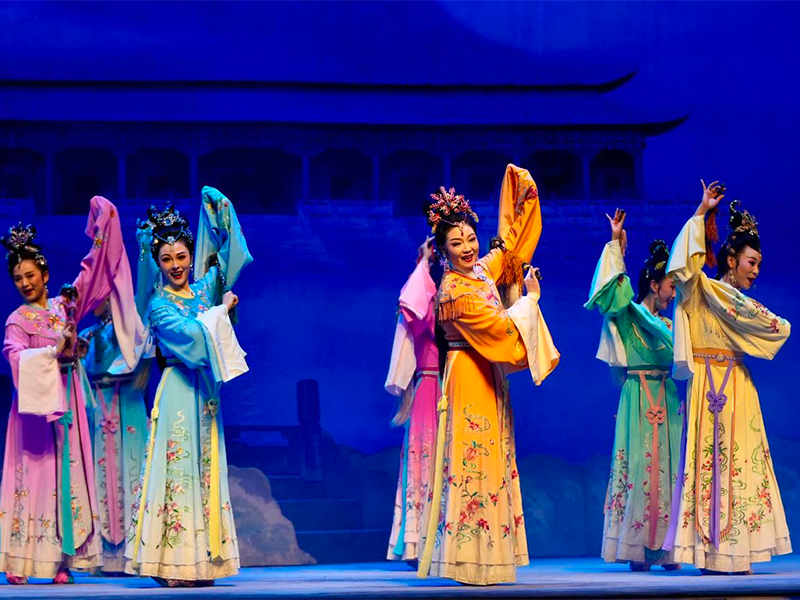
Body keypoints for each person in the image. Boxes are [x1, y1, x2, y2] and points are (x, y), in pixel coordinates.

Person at [417, 165, 560, 585]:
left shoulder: (479, 272)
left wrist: (521, 193)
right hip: (468, 377)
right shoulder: (455, 292)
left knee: (493, 459)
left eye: (470, 239)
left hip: (488, 377)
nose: (467, 248)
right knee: (474, 459)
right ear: (442, 251)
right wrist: (530, 300)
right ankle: (468, 559)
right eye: (456, 243)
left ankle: (492, 556)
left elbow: (510, 246)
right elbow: (499, 329)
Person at [0, 197, 138, 584]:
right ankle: (22, 560)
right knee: (36, 478)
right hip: (35, 413)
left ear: (44, 273)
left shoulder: (66, 306)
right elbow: (14, 357)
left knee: (68, 475)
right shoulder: (17, 320)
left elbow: (93, 274)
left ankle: (62, 560)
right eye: (18, 278)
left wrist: (103, 229)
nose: (25, 283)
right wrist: (52, 351)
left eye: (30, 275)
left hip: (69, 406)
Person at [125, 187, 253, 586]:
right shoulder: (159, 306)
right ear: (157, 263)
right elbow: (194, 340)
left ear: (190, 255)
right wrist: (222, 309)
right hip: (179, 390)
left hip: (206, 396)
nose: (176, 265)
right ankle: (171, 564)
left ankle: (205, 562)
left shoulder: (202, 289)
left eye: (181, 256)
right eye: (167, 259)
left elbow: (231, 259)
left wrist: (221, 211)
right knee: (178, 472)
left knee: (206, 472)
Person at [663, 181, 791, 574]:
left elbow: (780, 329)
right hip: (705, 382)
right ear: (731, 259)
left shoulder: (742, 306)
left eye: (759, 264)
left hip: (736, 385)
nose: (756, 270)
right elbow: (681, 267)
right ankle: (708, 553)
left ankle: (738, 552)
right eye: (751, 261)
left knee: (740, 465)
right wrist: (701, 212)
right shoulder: (701, 289)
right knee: (704, 464)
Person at [585, 209, 681, 570]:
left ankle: (667, 549)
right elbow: (610, 293)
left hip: (666, 395)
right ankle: (637, 547)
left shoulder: (669, 326)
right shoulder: (629, 315)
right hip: (637, 395)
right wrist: (616, 247)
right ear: (654, 285)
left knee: (668, 466)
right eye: (671, 286)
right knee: (638, 466)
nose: (674, 294)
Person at [80, 297, 149, 573]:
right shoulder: (87, 336)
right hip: (98, 406)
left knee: (132, 469)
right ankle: (100, 555)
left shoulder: (128, 329)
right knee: (100, 474)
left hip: (128, 402)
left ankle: (136, 554)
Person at [385, 237, 440, 562]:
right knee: (425, 462)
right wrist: (424, 262)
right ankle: (418, 541)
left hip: (449, 386)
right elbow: (414, 299)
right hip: (428, 388)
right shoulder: (423, 305)